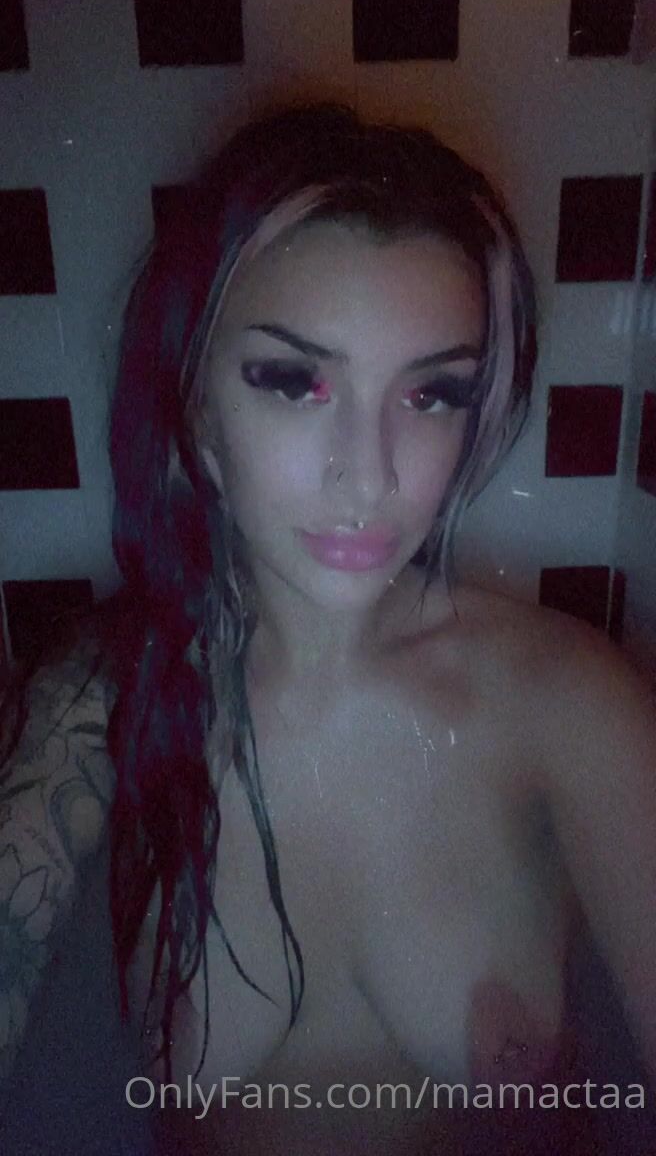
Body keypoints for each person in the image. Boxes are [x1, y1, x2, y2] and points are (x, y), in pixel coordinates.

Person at [0, 99, 655, 1156]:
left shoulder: (567, 698)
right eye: (292, 381)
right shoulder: (96, 694)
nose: (369, 473)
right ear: (195, 407)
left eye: (432, 394)